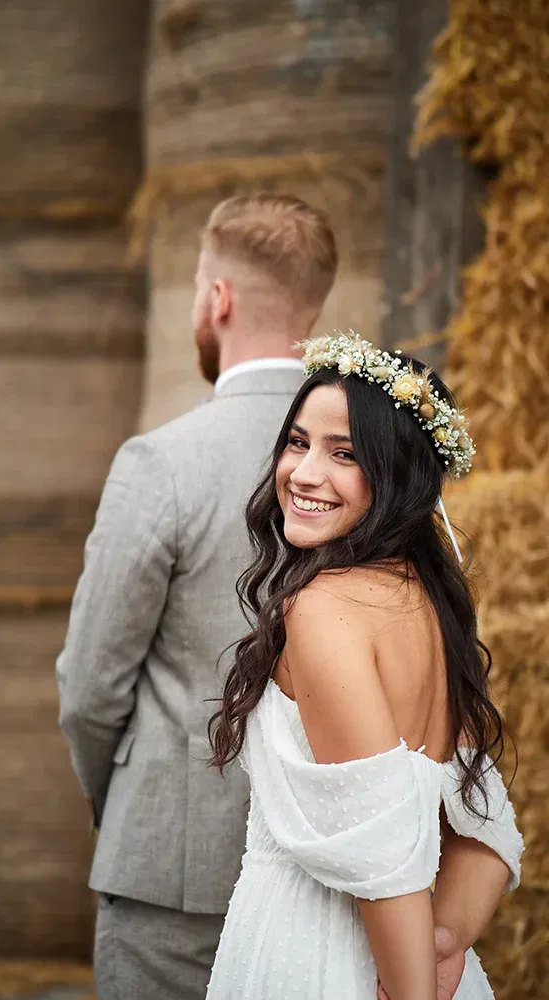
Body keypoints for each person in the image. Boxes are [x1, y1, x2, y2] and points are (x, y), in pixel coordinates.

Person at [56, 193, 339, 1000]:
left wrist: (131, 799)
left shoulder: (161, 463)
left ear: (219, 301)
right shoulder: (375, 467)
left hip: (173, 880)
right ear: (313, 303)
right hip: (325, 876)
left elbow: (89, 689)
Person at [207, 332, 524, 1000]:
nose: (304, 472)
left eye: (344, 454)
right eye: (297, 442)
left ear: (398, 477)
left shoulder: (320, 609)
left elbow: (383, 854)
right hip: (427, 959)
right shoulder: (430, 603)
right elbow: (487, 827)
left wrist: (409, 986)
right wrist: (445, 944)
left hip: (317, 954)